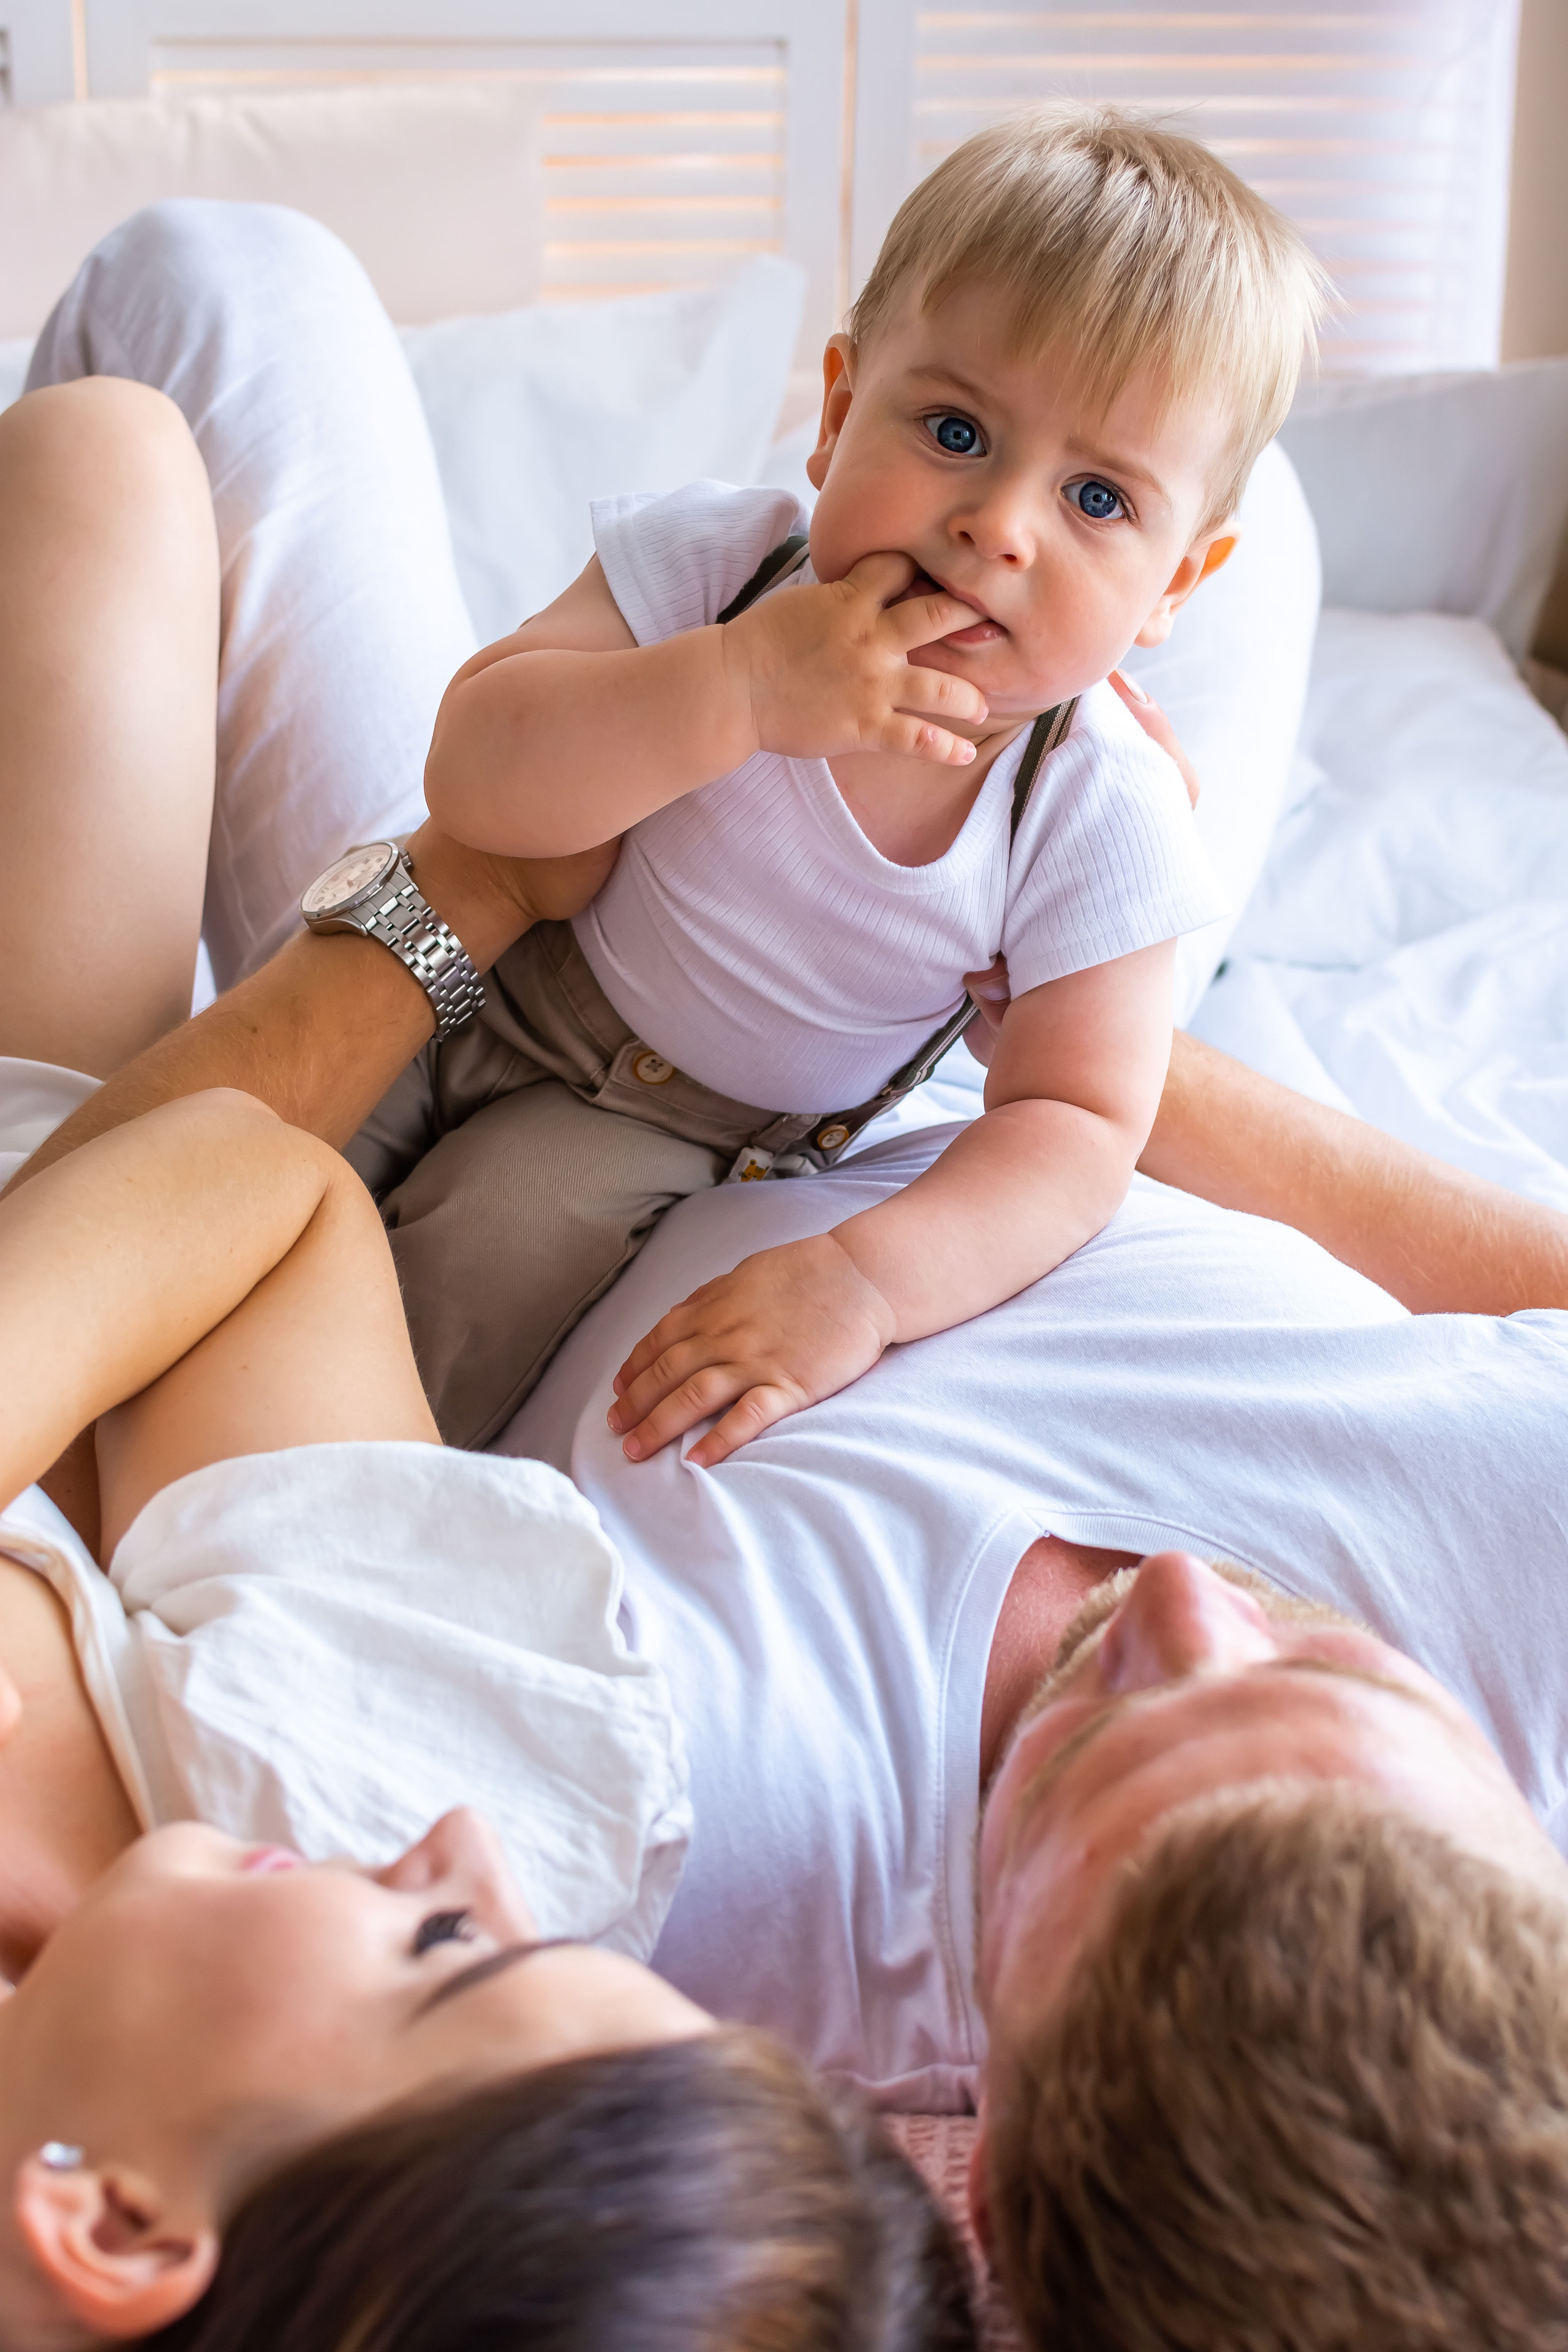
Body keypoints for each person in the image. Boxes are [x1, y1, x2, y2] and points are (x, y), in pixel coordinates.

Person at [23, 205, 1568, 2350]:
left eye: (1095, 1756)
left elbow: (221, 1259)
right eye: (1341, 1682)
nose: (1181, 1601)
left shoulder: (638, 1896)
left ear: (982, 2148)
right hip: (884, 968)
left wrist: (491, 916)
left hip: (523, 1006)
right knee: (1219, 474)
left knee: (218, 289)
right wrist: (1011, 996)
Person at [350, 104, 1327, 1455]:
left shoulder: (1089, 804)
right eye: (953, 431)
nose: (998, 525)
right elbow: (475, 775)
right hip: (469, 954)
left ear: (1175, 584)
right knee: (230, 1152)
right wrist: (735, 687)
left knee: (466, 1277)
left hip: (665, 1126)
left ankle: (275, 1509)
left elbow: (1076, 1120)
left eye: (1097, 501)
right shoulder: (715, 567)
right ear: (835, 411)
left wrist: (869, 1278)